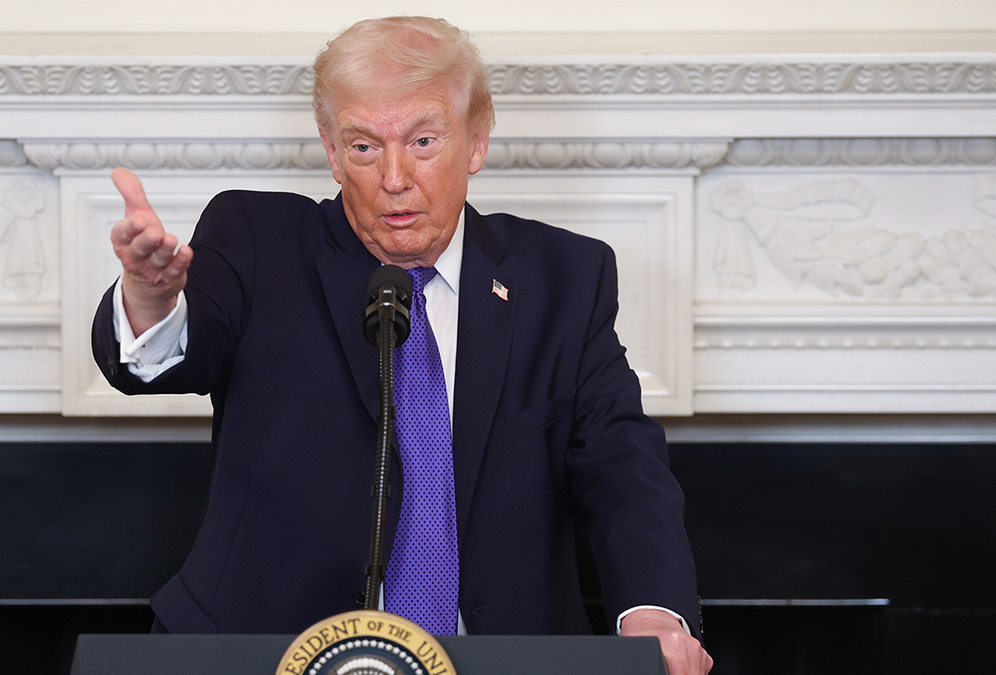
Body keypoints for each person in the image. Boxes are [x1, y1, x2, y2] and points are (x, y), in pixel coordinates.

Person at [92, 16, 712, 675]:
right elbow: (177, 350)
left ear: (475, 141)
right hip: (265, 652)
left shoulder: (564, 278)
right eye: (363, 147)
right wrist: (153, 299)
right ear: (332, 152)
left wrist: (653, 611)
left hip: (501, 658)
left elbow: (623, 466)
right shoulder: (257, 240)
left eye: (422, 140)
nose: (394, 177)